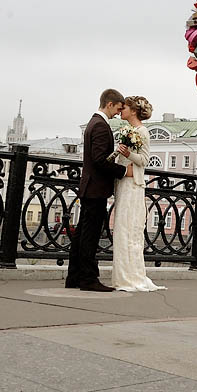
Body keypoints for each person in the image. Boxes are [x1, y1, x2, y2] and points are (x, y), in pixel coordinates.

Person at [67, 89, 128, 292]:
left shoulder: (92, 123)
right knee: (90, 236)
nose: (119, 113)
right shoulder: (101, 126)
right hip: (96, 189)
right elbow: (99, 160)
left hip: (89, 186)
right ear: (109, 104)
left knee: (81, 235)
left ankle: (74, 276)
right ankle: (88, 279)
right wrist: (122, 171)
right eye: (118, 109)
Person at [110, 95, 166, 293]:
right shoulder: (131, 130)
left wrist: (127, 155)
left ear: (133, 111)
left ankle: (130, 277)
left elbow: (144, 160)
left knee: (129, 230)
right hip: (124, 183)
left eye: (123, 108)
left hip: (133, 184)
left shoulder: (142, 131)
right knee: (122, 230)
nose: (120, 111)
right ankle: (123, 276)